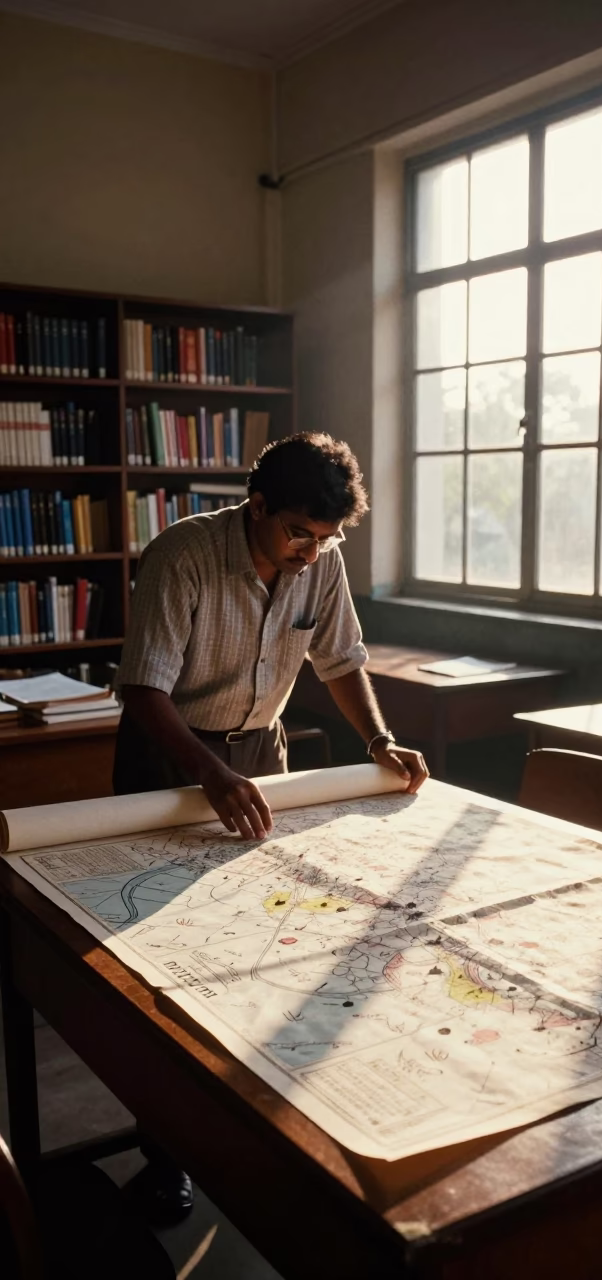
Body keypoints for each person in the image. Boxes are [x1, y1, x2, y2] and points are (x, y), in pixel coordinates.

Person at [114, 431, 429, 1222]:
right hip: (172, 760)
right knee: (168, 967)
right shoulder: (181, 556)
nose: (310, 553)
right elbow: (144, 693)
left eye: (325, 540)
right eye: (298, 533)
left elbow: (341, 661)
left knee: (261, 948)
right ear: (257, 507)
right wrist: (213, 774)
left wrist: (379, 741)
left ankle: (262, 1129)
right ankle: (165, 1152)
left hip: (258, 756)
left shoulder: (317, 559)